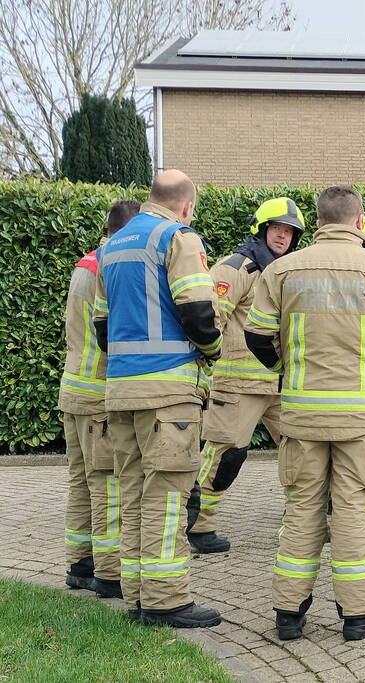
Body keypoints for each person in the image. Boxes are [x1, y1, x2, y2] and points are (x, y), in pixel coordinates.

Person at [245, 185, 365, 642]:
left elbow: (256, 336)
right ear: (358, 220)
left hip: (302, 414)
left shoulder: (283, 270)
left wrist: (284, 369)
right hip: (362, 417)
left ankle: (288, 614)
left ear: (317, 222)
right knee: (353, 510)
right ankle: (359, 615)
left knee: (301, 509)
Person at [94, 170, 223, 628]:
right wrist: (214, 351)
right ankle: (166, 600)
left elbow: (103, 328)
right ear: (186, 205)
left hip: (121, 390)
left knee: (132, 494)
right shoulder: (177, 238)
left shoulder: (111, 246)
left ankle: (137, 595)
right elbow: (198, 311)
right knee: (167, 497)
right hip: (168, 393)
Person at [185, 197, 305, 554]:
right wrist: (209, 365)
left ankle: (302, 521)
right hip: (238, 386)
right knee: (226, 456)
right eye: (277, 228)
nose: (282, 236)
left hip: (282, 383)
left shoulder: (288, 273)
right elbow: (210, 319)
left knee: (303, 451)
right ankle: (198, 526)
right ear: (261, 229)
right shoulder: (236, 268)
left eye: (289, 231)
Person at [59, 199, 140, 599]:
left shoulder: (85, 263)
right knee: (108, 485)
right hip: (99, 395)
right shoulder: (114, 265)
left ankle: (80, 563)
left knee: (81, 481)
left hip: (73, 389)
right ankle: (110, 573)